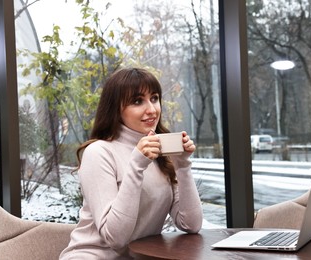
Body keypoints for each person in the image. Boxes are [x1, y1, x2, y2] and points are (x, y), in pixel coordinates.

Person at [59, 67, 203, 259]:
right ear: (116, 109)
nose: (151, 110)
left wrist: (182, 165)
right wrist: (136, 166)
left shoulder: (161, 152)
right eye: (137, 101)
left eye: (154, 98)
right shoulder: (99, 153)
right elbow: (115, 238)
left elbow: (191, 224)